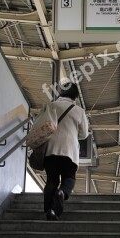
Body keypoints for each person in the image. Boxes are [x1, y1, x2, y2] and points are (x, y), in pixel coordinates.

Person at [40, 82, 89, 221]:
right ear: (75, 96)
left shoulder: (51, 106)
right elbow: (84, 134)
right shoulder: (79, 111)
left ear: (60, 93)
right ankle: (62, 192)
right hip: (69, 151)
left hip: (50, 149)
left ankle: (49, 210)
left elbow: (40, 125)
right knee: (69, 178)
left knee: (51, 180)